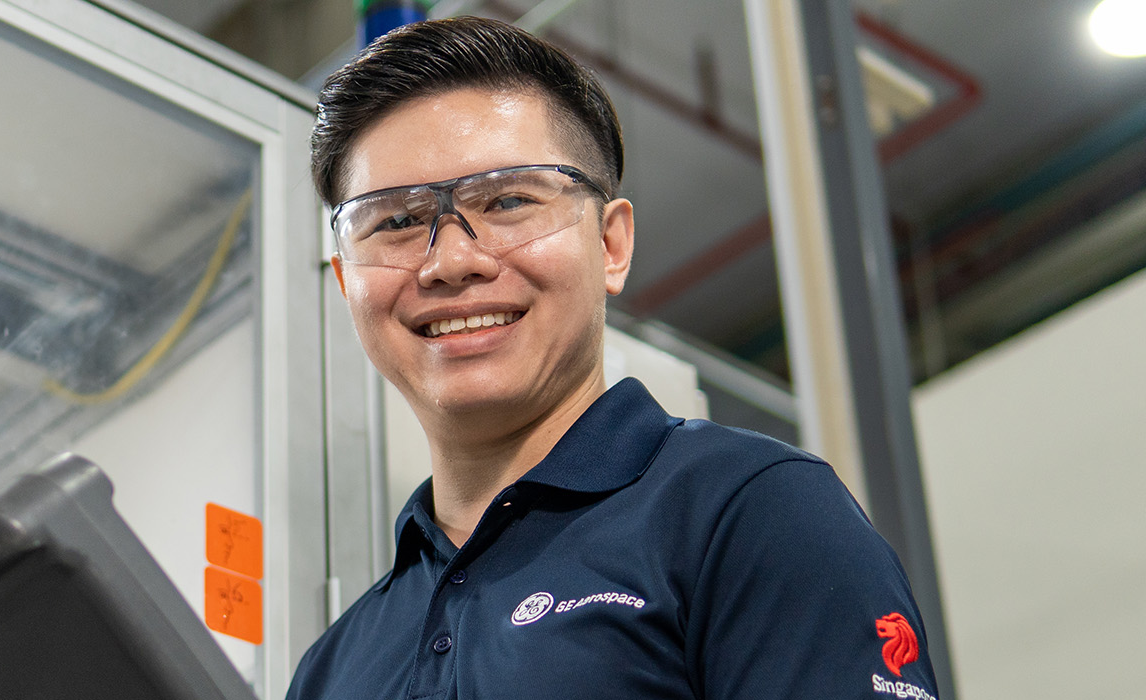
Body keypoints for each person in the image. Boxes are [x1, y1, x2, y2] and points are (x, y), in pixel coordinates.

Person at [289, 16, 941, 700]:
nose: (451, 261)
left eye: (508, 200)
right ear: (345, 282)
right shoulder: (333, 668)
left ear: (611, 245)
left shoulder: (748, 511)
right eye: (394, 222)